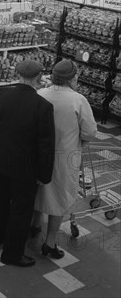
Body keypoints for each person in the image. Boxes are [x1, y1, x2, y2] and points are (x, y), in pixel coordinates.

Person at [0, 59, 55, 268]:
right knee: (21, 210)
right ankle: (12, 254)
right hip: (25, 169)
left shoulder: (0, 94)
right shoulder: (43, 106)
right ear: (39, 78)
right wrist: (44, 175)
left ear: (17, 74)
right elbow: (45, 146)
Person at [30, 59, 97, 259]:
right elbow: (90, 131)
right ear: (71, 79)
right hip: (64, 156)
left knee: (38, 191)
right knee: (59, 198)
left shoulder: (40, 94)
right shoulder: (77, 100)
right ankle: (50, 243)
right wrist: (80, 142)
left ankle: (33, 226)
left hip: (38, 154)